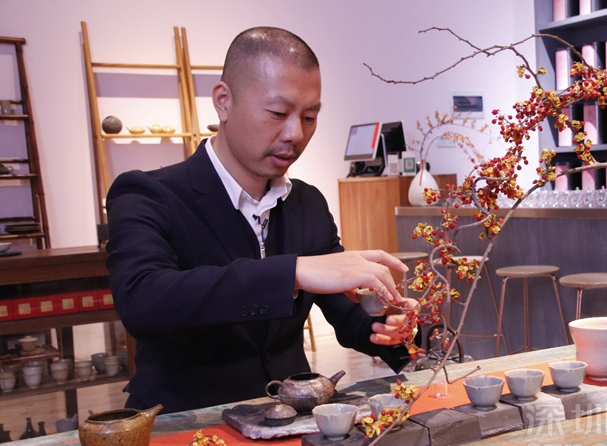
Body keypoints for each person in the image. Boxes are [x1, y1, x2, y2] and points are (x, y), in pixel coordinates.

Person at [105, 27, 415, 414]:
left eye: (309, 117)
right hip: (186, 423)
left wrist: (388, 326)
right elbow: (143, 301)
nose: (295, 134)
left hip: (290, 419)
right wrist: (293, 273)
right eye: (278, 113)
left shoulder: (306, 203)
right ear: (223, 102)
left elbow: (346, 313)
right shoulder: (148, 193)